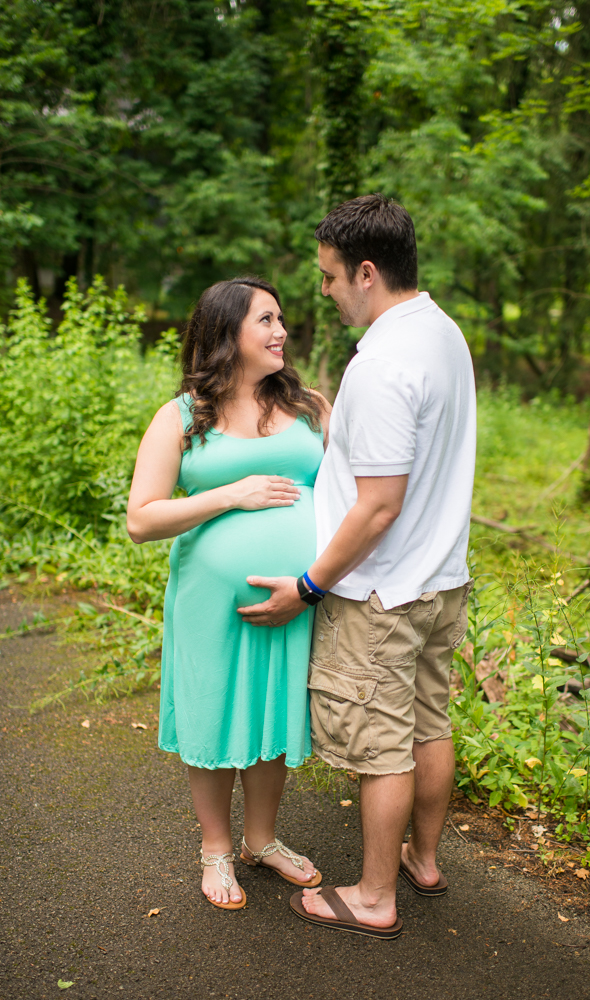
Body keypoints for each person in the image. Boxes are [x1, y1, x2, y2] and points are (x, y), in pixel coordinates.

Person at [238, 194, 476, 939]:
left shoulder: (381, 362)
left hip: (381, 592)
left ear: (366, 271)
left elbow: (376, 507)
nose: (323, 291)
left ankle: (374, 896)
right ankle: (423, 859)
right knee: (428, 725)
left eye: (329, 277)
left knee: (381, 750)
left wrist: (309, 587)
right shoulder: (443, 335)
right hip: (441, 579)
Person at [127, 277, 331, 910]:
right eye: (266, 320)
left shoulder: (310, 407)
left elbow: (348, 495)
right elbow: (142, 519)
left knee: (274, 710)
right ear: (226, 333)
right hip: (210, 603)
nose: (281, 331)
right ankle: (217, 848)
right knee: (216, 711)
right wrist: (228, 495)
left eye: (281, 319)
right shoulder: (183, 416)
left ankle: (262, 840)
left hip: (297, 596)